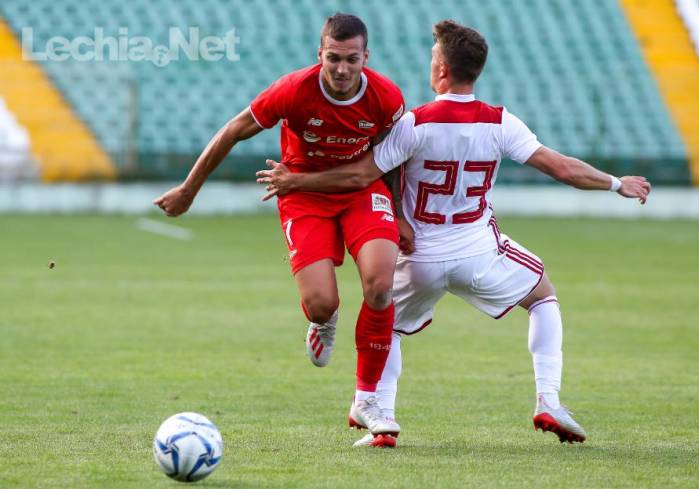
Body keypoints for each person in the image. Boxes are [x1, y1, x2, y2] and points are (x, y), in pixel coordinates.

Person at [256, 20, 652, 447]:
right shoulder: (500, 123)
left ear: (442, 69)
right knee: (543, 298)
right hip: (478, 253)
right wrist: (616, 183)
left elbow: (362, 174)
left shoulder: (415, 123)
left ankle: (380, 415)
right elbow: (562, 168)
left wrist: (303, 183)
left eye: (433, 57)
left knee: (384, 325)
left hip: (418, 255)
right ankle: (548, 399)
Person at [154, 13, 405, 445]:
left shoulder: (386, 97)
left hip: (360, 191)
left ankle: (367, 400)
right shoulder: (293, 90)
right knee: (321, 303)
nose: (342, 69)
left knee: (381, 286)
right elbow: (234, 130)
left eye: (351, 59)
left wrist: (398, 213)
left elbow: (394, 156)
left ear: (366, 57)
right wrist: (189, 190)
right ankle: (323, 322)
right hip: (302, 196)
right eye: (333, 58)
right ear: (319, 54)